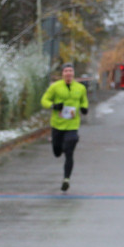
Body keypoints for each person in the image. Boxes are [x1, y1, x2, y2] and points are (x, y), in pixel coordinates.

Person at [40, 63, 89, 191]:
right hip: (57, 124)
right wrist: (53, 106)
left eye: (70, 71)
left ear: (73, 74)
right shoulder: (55, 87)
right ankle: (59, 147)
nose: (68, 73)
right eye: (66, 71)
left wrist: (84, 108)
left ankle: (66, 179)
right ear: (62, 74)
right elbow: (44, 100)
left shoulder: (80, 88)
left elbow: (84, 100)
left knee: (69, 150)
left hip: (72, 124)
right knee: (57, 152)